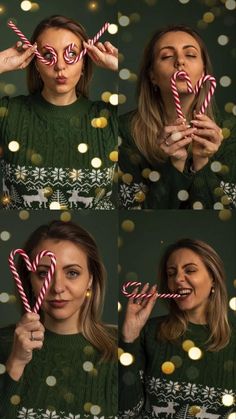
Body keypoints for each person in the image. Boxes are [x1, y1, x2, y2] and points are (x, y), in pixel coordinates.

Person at [0, 220, 117, 418]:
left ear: (90, 279)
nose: (57, 287)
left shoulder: (120, 350)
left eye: (72, 273)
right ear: (28, 279)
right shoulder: (3, 343)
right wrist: (15, 363)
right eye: (44, 273)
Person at [0, 15, 118, 210]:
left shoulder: (110, 118)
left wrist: (119, 65)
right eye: (47, 55)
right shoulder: (8, 114)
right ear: (36, 64)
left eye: (71, 54)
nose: (60, 66)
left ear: (84, 63)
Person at [118, 25, 236, 209]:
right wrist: (175, 164)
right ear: (152, 76)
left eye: (190, 55)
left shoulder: (231, 130)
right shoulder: (123, 131)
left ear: (204, 72)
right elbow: (139, 211)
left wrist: (202, 161)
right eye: (166, 56)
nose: (180, 61)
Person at [119, 239, 236, 418]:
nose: (178, 279)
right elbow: (127, 412)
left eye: (190, 270)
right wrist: (129, 339)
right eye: (171, 273)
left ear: (213, 277)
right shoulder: (150, 332)